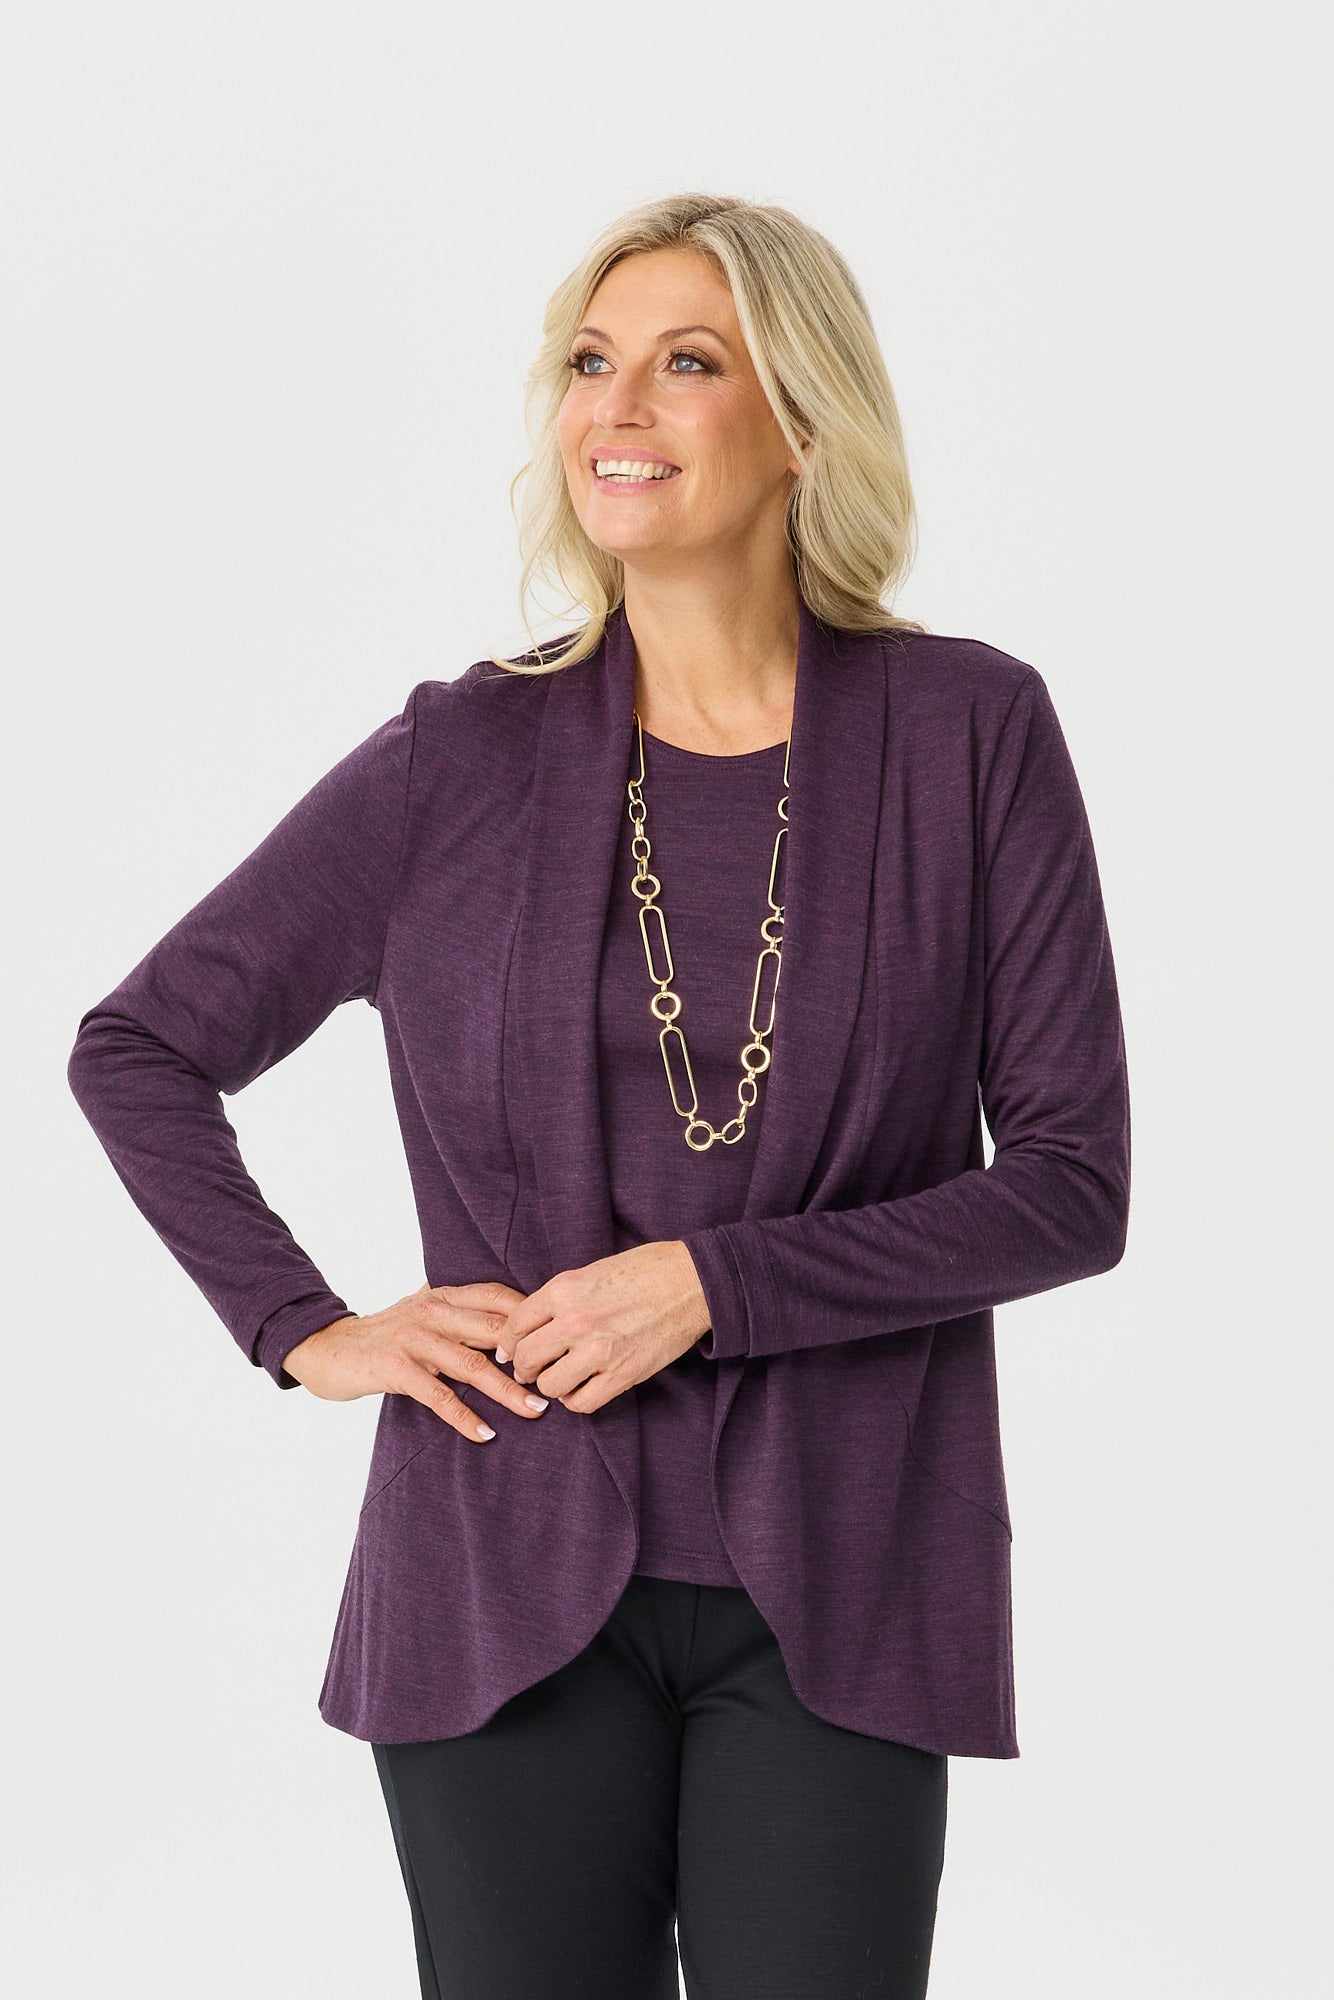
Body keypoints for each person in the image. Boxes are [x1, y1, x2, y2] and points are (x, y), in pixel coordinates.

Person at [67, 191, 1131, 1999]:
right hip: (499, 1583)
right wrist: (304, 1329)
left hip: (846, 1583)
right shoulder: (459, 755)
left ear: (802, 423)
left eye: (684, 362)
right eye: (587, 361)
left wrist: (714, 1285)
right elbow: (142, 1048)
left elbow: (1067, 1184)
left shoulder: (968, 733)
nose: (614, 408)